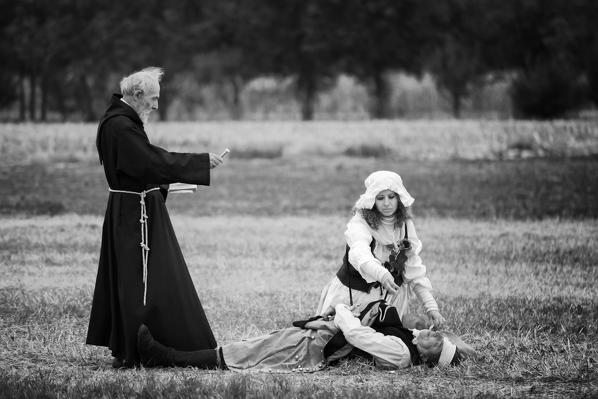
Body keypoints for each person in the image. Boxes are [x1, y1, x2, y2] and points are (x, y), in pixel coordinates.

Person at [86, 67, 224, 368]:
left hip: (130, 207)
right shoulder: (121, 126)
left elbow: (138, 167)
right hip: (135, 213)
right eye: (153, 98)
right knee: (140, 280)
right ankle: (137, 347)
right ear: (136, 95)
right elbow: (149, 161)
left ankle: (134, 345)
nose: (156, 105)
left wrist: (164, 184)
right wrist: (197, 163)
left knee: (135, 278)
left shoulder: (119, 122)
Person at [136, 300, 473, 372]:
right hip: (316, 339)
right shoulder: (410, 337)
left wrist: (340, 307)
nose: (432, 333)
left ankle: (162, 356)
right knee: (248, 347)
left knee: (243, 355)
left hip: (313, 350)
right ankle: (167, 353)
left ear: (429, 357)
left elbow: (356, 335)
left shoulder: (400, 353)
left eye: (437, 341)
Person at [317, 170, 446, 329]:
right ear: (372, 200)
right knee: (339, 340)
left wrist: (431, 307)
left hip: (387, 304)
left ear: (399, 198)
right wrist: (382, 273)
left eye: (391, 197)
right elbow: (359, 253)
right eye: (380, 198)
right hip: (353, 297)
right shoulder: (360, 223)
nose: (386, 203)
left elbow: (413, 268)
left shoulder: (405, 225)